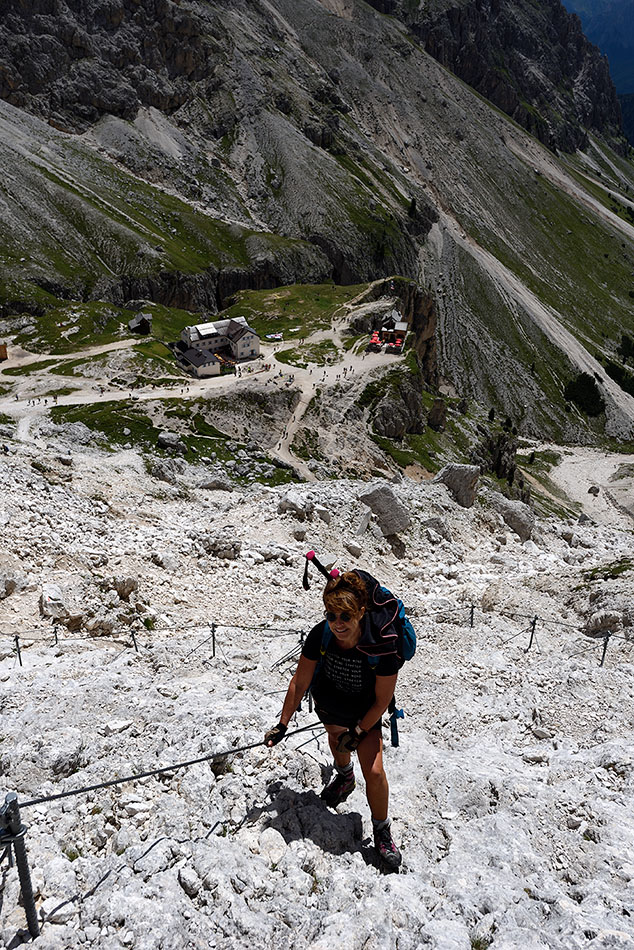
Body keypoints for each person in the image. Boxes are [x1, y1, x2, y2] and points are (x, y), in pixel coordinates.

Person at [264, 571, 403, 871]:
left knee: (376, 772)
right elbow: (299, 682)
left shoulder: (382, 645)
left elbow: (381, 700)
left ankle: (382, 831)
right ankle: (345, 776)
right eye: (331, 615)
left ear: (361, 612)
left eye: (345, 616)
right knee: (336, 739)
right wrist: (283, 724)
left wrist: (360, 730)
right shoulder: (321, 634)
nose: (337, 623)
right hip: (331, 701)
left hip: (365, 711)